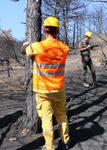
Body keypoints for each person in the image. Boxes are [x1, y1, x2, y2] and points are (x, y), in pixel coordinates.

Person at [21, 16, 70, 150]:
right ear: (58, 31)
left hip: (42, 90)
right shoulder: (64, 48)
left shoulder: (38, 47)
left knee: (46, 119)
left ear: (44, 30)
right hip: (59, 89)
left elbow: (23, 51)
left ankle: (50, 146)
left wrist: (26, 45)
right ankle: (66, 141)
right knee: (62, 115)